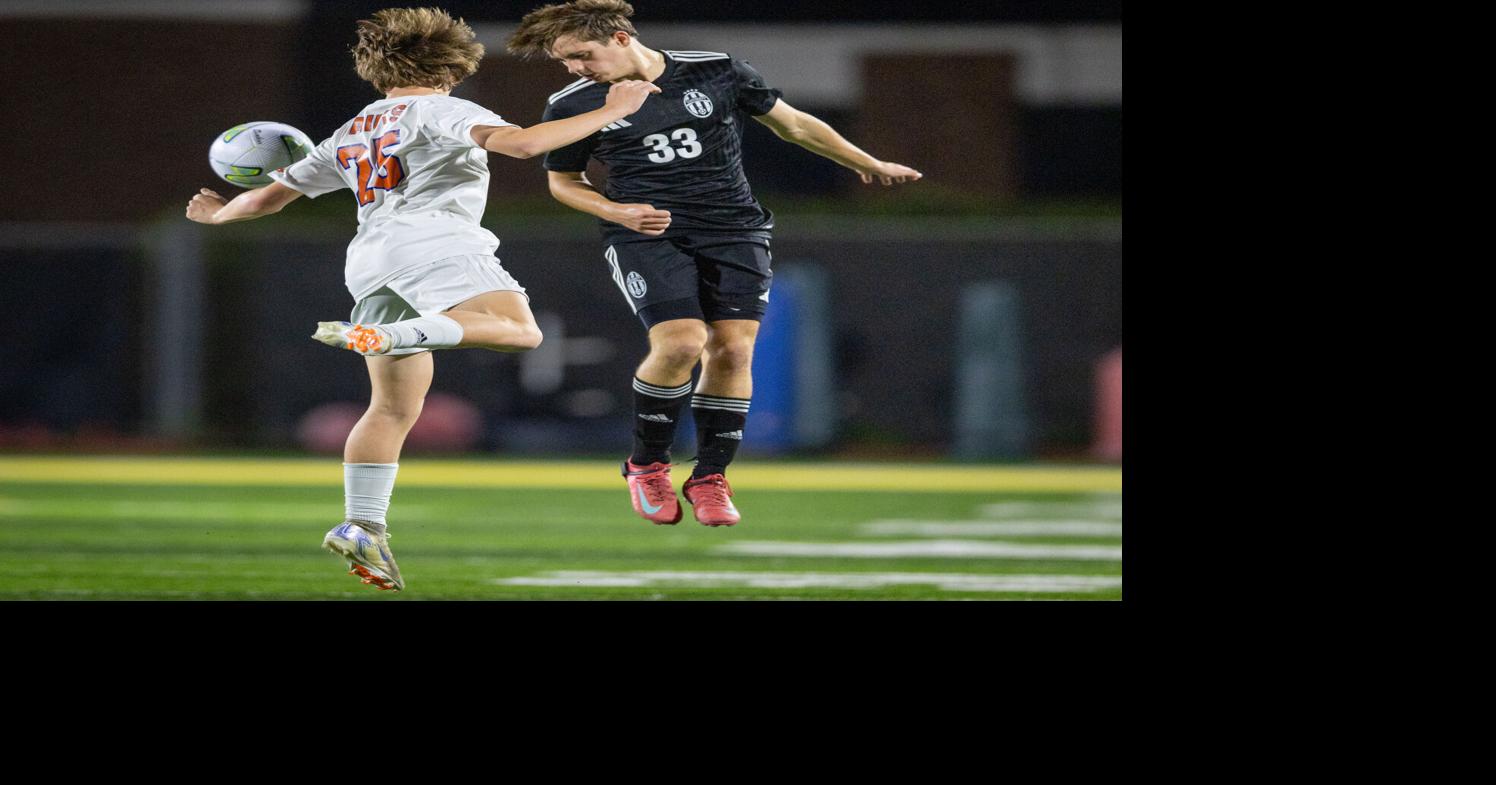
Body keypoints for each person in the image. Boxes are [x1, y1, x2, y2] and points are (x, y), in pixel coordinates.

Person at [185, 6, 658, 592]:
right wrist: (612, 110)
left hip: (371, 265)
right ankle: (395, 334)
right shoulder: (442, 108)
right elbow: (524, 144)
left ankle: (362, 524)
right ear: (455, 65)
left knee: (391, 410)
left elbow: (264, 200)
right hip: (436, 246)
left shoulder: (354, 128)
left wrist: (217, 214)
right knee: (520, 331)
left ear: (374, 69)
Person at [506, 0, 922, 527]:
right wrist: (616, 211)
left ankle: (709, 475)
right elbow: (563, 181)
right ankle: (647, 464)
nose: (574, 68)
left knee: (732, 348)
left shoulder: (717, 70)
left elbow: (793, 125)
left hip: (734, 229)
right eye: (564, 61)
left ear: (617, 37)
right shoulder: (575, 103)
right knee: (681, 341)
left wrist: (867, 162)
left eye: (580, 55)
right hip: (647, 232)